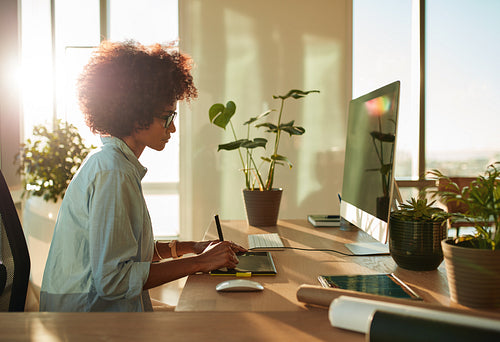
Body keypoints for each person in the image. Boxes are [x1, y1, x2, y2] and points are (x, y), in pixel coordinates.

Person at [39, 40, 246, 312]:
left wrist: (194, 247)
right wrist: (202, 263)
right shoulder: (113, 173)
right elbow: (113, 280)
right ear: (136, 116)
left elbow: (127, 252)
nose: (172, 128)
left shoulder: (114, 163)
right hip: (87, 323)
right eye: (166, 117)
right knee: (204, 321)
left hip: (96, 311)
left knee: (196, 315)